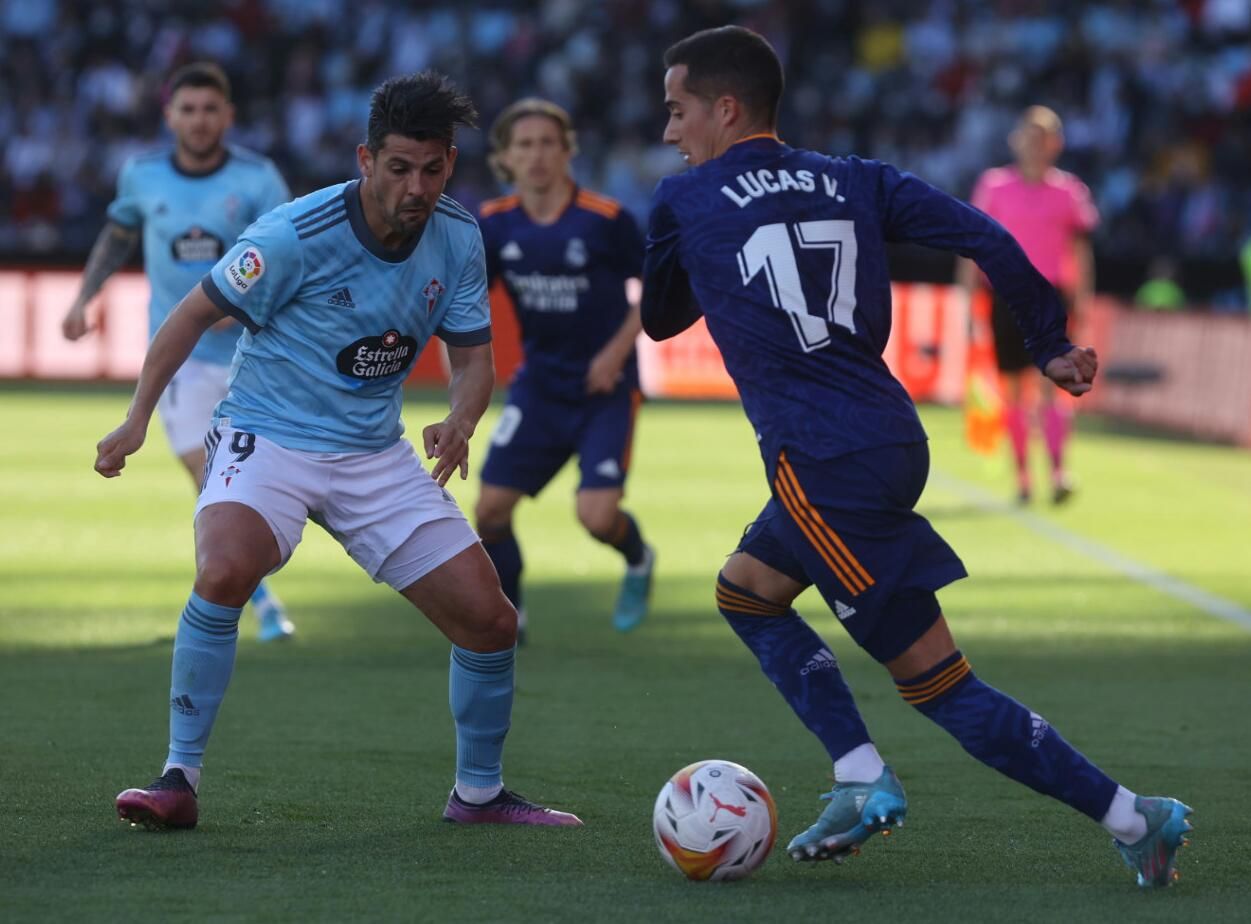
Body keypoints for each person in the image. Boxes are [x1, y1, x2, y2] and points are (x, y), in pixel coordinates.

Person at [642, 26, 1190, 889]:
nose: (669, 130)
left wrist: (674, 238)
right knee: (746, 592)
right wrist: (1047, 342)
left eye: (676, 110)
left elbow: (658, 320)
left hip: (820, 462)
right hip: (888, 436)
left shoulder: (685, 197)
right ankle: (864, 773)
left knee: (939, 685)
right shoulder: (856, 179)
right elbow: (986, 235)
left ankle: (1127, 817)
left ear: (724, 107)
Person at [98, 72, 581, 831]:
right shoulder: (294, 233)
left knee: (489, 621)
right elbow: (193, 315)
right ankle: (176, 778)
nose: (415, 186)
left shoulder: (457, 236)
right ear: (365, 159)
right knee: (224, 568)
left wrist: (460, 419)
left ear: (450, 164)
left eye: (431, 167)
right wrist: (136, 419)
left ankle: (478, 796)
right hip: (270, 438)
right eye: (398, 167)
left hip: (373, 456)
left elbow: (474, 362)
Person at [63, 62, 295, 641]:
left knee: (261, 480)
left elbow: (291, 260)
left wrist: (243, 309)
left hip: (254, 356)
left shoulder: (260, 178)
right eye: (187, 109)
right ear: (170, 115)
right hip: (180, 362)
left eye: (209, 109)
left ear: (228, 115)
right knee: (211, 476)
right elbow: (117, 237)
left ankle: (244, 583)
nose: (198, 120)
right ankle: (257, 600)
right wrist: (83, 298)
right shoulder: (141, 175)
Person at [475, 98, 655, 640]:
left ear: (568, 151)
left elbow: (657, 291)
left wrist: (615, 351)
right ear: (504, 158)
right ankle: (515, 616)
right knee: (489, 512)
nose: (536, 155)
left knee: (597, 518)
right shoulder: (494, 224)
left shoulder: (605, 220)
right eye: (523, 145)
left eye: (548, 143)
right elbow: (467, 303)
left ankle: (639, 558)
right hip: (540, 388)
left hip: (606, 388)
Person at [958, 107, 1099, 505]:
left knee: (1053, 386)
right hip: (1006, 296)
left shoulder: (1069, 191)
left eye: (1044, 137)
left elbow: (1081, 251)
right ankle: (1022, 477)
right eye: (1029, 135)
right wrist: (969, 303)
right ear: (1016, 140)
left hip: (1051, 296)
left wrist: (1083, 300)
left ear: (1055, 143)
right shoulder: (995, 186)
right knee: (1016, 388)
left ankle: (1057, 471)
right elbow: (971, 246)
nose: (1035, 145)